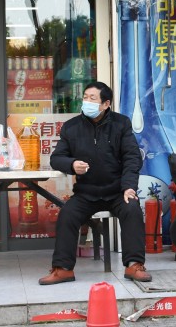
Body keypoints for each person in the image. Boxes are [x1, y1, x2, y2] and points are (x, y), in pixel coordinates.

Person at [38, 81, 152, 285]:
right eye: (85, 97)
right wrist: (72, 164)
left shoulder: (121, 124)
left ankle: (134, 264)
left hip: (117, 191)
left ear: (105, 104)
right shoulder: (72, 127)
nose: (87, 102)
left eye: (92, 98)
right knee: (67, 214)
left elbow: (132, 158)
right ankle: (63, 269)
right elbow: (57, 158)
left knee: (132, 209)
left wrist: (128, 187)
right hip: (86, 193)